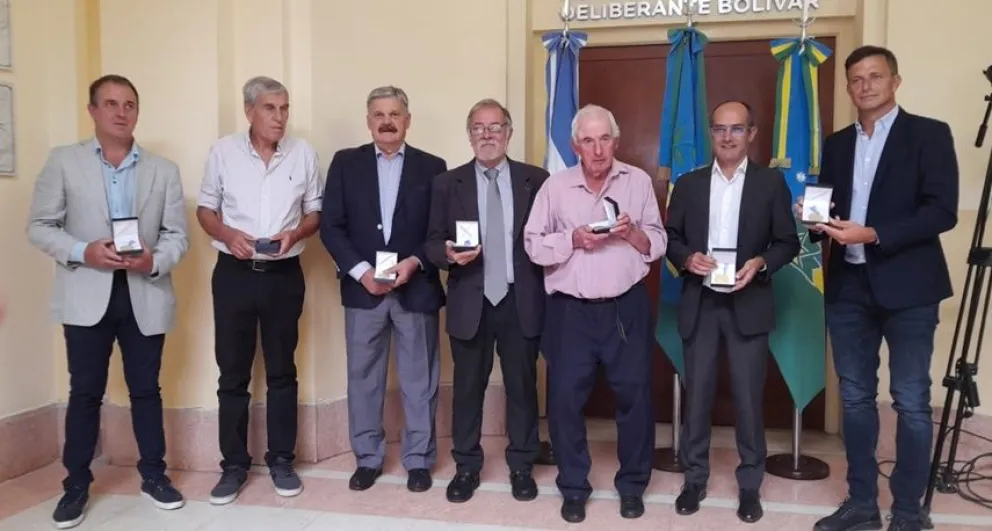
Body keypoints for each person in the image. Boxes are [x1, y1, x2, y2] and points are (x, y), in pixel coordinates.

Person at [800, 46, 959, 531]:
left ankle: (909, 511)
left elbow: (941, 211)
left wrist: (872, 233)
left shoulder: (928, 134)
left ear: (895, 81)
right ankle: (862, 503)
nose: (865, 85)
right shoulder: (837, 143)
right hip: (849, 288)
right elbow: (829, 211)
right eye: (856, 79)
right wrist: (812, 220)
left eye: (875, 76)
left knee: (911, 400)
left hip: (910, 289)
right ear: (848, 88)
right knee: (855, 399)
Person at [26, 74, 189, 529]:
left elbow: (178, 235)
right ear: (93, 110)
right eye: (111, 103)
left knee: (146, 390)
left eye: (129, 104)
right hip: (86, 292)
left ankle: (154, 476)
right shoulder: (64, 161)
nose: (121, 112)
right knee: (85, 393)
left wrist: (154, 260)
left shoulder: (163, 170)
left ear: (138, 111)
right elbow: (40, 226)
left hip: (144, 292)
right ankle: (76, 484)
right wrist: (84, 251)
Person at [523, 104, 666, 523]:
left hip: (626, 308)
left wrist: (632, 232)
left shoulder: (637, 182)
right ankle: (573, 486)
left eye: (604, 139)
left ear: (616, 141)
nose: (598, 149)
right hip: (571, 311)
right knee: (564, 401)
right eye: (588, 140)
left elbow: (657, 242)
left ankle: (632, 485)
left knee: (635, 399)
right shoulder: (555, 186)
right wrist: (573, 239)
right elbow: (533, 244)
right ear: (575, 146)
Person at [665, 100, 800, 524]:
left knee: (748, 400)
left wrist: (760, 263)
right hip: (701, 303)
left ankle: (749, 485)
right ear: (711, 133)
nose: (727, 137)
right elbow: (670, 237)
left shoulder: (770, 183)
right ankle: (694, 479)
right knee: (698, 397)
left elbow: (788, 242)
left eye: (737, 129)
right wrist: (687, 258)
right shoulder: (688, 184)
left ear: (752, 134)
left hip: (748, 302)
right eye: (720, 129)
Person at [196, 76, 323, 505]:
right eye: (270, 108)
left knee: (282, 371)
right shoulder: (223, 152)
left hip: (284, 274)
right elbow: (205, 210)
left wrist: (296, 233)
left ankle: (282, 460)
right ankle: (233, 465)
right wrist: (227, 234)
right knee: (233, 373)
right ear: (249, 111)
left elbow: (315, 212)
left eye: (285, 108)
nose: (280, 117)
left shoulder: (303, 153)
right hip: (233, 274)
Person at [320, 85, 447, 493]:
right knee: (363, 378)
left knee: (419, 381)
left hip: (416, 288)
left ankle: (418, 460)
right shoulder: (345, 163)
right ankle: (368, 458)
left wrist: (414, 262)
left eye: (394, 114)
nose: (387, 122)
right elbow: (331, 226)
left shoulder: (433, 166)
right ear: (368, 121)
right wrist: (361, 273)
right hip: (363, 290)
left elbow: (438, 230)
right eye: (379, 114)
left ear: (408, 121)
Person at [425, 99, 548, 503]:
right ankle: (466, 466)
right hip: (470, 301)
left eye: (495, 127)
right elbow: (431, 242)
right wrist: (447, 254)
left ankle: (522, 465)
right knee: (467, 390)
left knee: (522, 388)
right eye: (478, 127)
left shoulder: (536, 180)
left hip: (519, 300)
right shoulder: (448, 183)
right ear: (469, 135)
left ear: (509, 133)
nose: (487, 135)